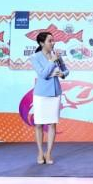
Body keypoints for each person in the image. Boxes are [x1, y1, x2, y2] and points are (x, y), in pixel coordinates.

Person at [30, 32, 69, 164]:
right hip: (41, 94)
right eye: (50, 41)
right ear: (42, 43)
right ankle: (40, 152)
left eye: (53, 40)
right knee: (39, 124)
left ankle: (49, 153)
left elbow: (66, 70)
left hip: (55, 93)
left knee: (52, 124)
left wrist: (62, 74)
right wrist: (52, 61)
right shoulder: (35, 57)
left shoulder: (56, 55)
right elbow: (43, 74)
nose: (53, 43)